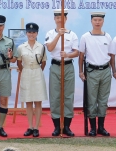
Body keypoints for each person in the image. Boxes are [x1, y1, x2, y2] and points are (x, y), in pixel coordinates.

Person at [44, 9, 79, 137]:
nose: (60, 19)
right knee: (55, 96)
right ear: (54, 19)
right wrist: (58, 35)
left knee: (68, 96)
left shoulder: (72, 34)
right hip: (55, 66)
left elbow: (76, 52)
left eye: (62, 17)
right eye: (57, 17)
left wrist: (68, 54)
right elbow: (49, 48)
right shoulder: (50, 33)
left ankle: (67, 127)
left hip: (68, 67)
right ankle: (57, 127)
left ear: (66, 18)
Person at [78, 12, 113, 137]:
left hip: (105, 71)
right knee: (92, 100)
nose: (97, 22)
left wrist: (113, 71)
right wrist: (81, 71)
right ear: (91, 21)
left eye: (100, 20)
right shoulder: (85, 37)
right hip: (91, 71)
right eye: (95, 20)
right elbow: (81, 56)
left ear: (103, 21)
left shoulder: (107, 36)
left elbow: (111, 55)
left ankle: (101, 127)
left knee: (103, 100)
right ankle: (92, 127)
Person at [17, 22, 48, 138]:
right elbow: (19, 62)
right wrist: (24, 70)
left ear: (37, 33)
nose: (31, 34)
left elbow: (43, 62)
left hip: (37, 73)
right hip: (26, 72)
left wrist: (37, 70)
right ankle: (30, 126)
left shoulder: (41, 46)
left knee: (38, 101)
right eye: (29, 32)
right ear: (26, 33)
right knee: (28, 101)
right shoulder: (21, 47)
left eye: (33, 32)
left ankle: (36, 128)